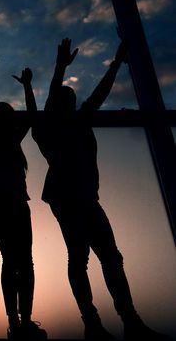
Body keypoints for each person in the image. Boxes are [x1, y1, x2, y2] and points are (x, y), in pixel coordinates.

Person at [32, 38, 168, 341]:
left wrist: (117, 63)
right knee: (86, 257)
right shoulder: (48, 130)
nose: (70, 103)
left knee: (103, 257)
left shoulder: (74, 123)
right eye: (65, 100)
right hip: (69, 198)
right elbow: (74, 98)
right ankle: (101, 322)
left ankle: (122, 321)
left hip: (81, 197)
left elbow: (99, 93)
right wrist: (59, 70)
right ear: (57, 106)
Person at [0, 48, 46, 340]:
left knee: (19, 261)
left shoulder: (4, 143)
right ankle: (17, 321)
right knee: (17, 260)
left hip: (12, 204)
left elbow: (29, 117)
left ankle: (20, 321)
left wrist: (27, 87)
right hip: (2, 205)